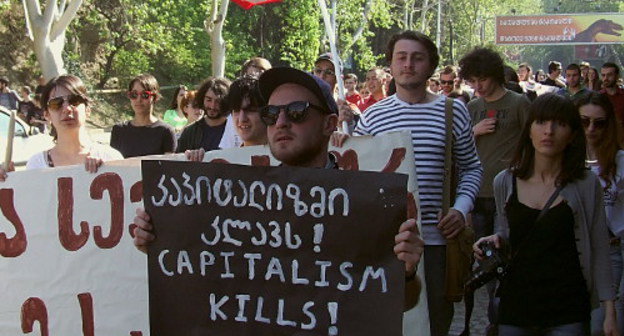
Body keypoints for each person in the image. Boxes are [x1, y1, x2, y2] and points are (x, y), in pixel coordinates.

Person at [133, 66, 425, 309]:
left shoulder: (367, 207)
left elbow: (401, 305)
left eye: (297, 111)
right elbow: (209, 287)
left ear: (329, 124)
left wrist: (407, 273)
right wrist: (162, 245)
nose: (281, 122)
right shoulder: (238, 202)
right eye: (272, 114)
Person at [334, 30, 483, 336]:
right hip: (387, 246)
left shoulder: (453, 112)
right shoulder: (373, 117)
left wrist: (460, 208)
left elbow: (472, 168)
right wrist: (341, 143)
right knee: (390, 323)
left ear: (430, 66)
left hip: (436, 243)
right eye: (401, 57)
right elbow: (358, 175)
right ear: (391, 64)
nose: (409, 64)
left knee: (436, 323)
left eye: (417, 58)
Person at [473, 93, 617, 336]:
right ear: (528, 129)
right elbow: (505, 231)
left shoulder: (585, 183)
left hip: (567, 307)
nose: (548, 131)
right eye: (540, 122)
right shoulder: (505, 181)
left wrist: (609, 312)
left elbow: (599, 245)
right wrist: (492, 241)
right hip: (516, 305)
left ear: (572, 135)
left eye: (559, 124)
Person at [460, 47, 530, 334]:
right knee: (484, 263)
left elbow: (532, 142)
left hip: (509, 195)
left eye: (482, 80)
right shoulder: (471, 108)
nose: (477, 87)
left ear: (494, 75)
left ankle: (508, 317)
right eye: (472, 81)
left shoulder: (519, 103)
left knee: (510, 259)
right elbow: (459, 151)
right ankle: (489, 320)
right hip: (476, 196)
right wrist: (474, 131)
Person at [0, 75, 122, 181]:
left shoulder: (110, 158)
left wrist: (107, 172)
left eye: (74, 100)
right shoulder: (36, 165)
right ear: (46, 114)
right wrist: (11, 182)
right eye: (56, 103)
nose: (67, 109)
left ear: (88, 109)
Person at [576, 93, 624, 335]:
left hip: (608, 251)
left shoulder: (620, 161)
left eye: (599, 122)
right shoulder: (565, 160)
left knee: (601, 324)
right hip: (570, 252)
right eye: (584, 121)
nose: (591, 129)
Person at [110, 74, 176, 158]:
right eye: (134, 94)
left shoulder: (166, 131)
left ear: (154, 97)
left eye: (145, 95)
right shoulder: (118, 130)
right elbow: (112, 164)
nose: (139, 99)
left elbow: (169, 167)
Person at [177, 77, 231, 152]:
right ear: (202, 99)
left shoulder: (235, 131)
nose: (212, 106)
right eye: (209, 100)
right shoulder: (190, 132)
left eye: (218, 101)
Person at [600, 63, 624, 129]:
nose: (605, 78)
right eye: (603, 75)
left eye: (609, 75)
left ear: (617, 76)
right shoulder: (597, 97)